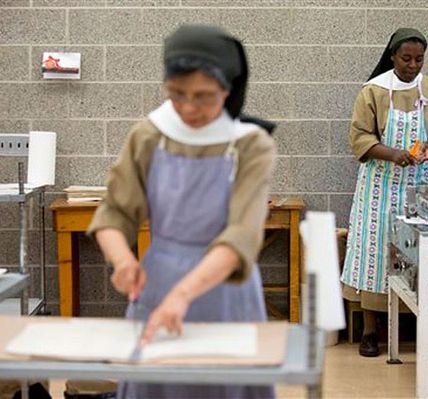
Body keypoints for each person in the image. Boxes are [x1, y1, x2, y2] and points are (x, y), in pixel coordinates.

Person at [87, 24, 276, 399]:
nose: (189, 108)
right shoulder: (149, 135)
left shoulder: (250, 145)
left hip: (226, 286)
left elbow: (242, 234)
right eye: (177, 94)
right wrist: (123, 260)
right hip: (158, 282)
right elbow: (115, 212)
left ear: (228, 89)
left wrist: (183, 293)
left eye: (204, 97)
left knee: (222, 384)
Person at [340, 28, 428, 358]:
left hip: (421, 185)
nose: (412, 65)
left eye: (419, 59)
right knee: (375, 253)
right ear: (392, 56)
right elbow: (360, 137)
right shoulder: (373, 91)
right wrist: (393, 154)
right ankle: (369, 333)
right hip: (378, 187)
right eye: (406, 58)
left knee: (425, 254)